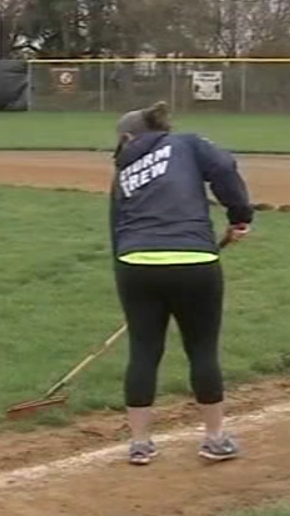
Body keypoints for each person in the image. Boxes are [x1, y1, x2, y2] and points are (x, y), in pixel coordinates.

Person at [109, 101, 254, 465]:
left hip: (135, 264)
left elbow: (116, 226)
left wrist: (129, 278)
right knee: (202, 349)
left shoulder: (123, 169)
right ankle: (215, 438)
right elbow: (224, 167)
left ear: (129, 137)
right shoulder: (189, 143)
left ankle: (140, 443)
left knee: (143, 351)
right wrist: (239, 217)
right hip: (194, 260)